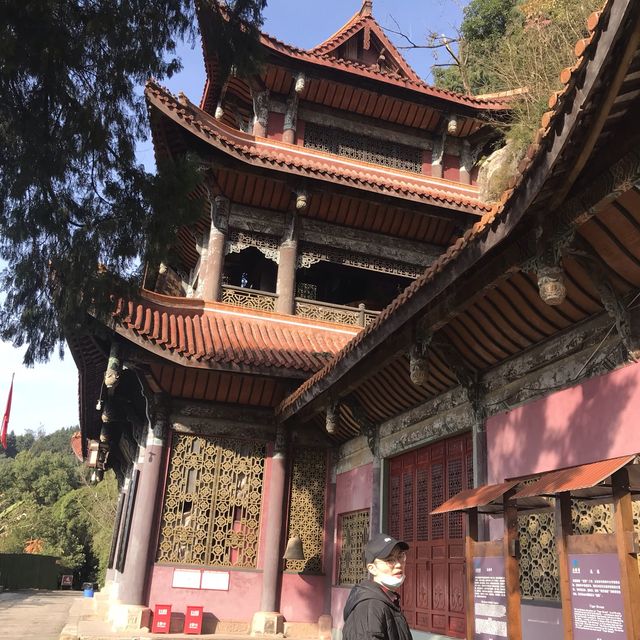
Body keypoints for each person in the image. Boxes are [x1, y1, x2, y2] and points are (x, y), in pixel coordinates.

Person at [342, 533, 413, 640]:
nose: (398, 564)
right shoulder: (369, 606)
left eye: (400, 557)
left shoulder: (387, 599)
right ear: (372, 568)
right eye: (390, 560)